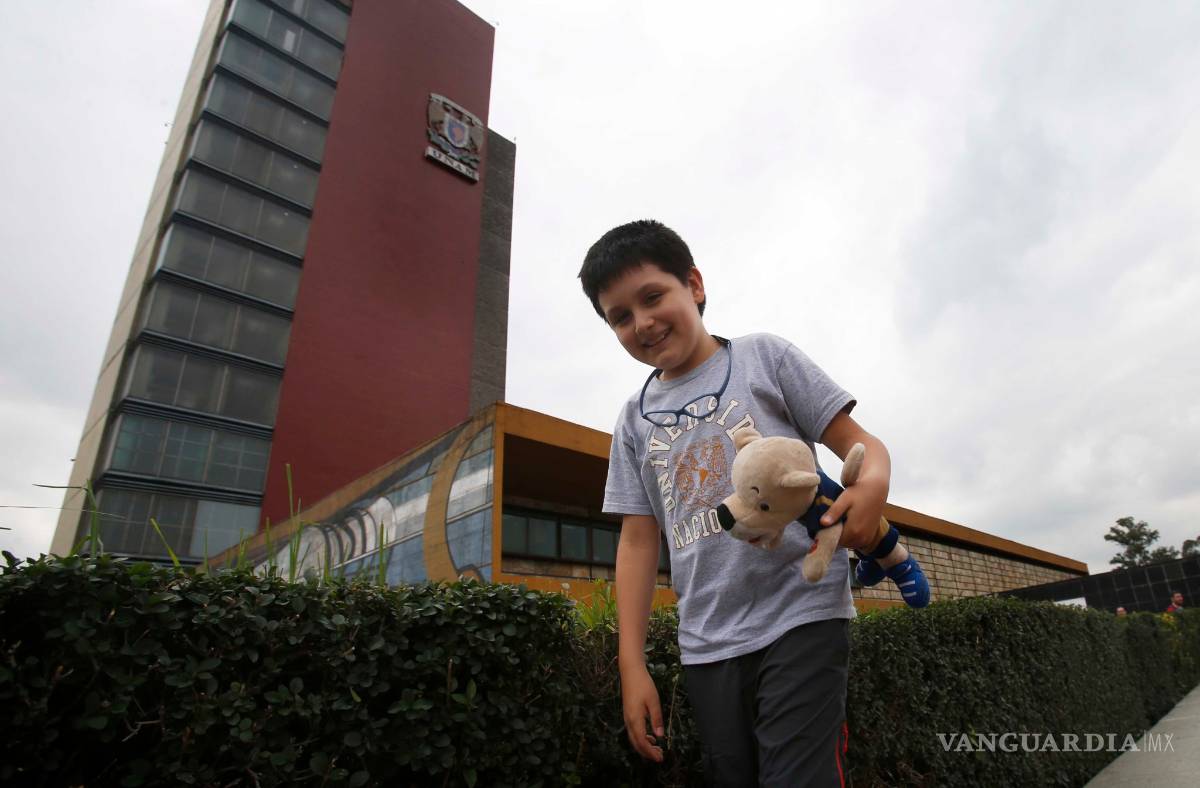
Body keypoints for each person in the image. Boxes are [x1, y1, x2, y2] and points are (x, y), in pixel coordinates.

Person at [579, 219, 926, 786]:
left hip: (802, 613)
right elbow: (639, 541)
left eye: (652, 296)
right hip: (706, 644)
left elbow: (862, 444)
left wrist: (872, 487)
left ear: (693, 284)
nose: (641, 322)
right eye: (620, 316)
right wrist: (631, 666)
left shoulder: (765, 358)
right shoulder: (632, 421)